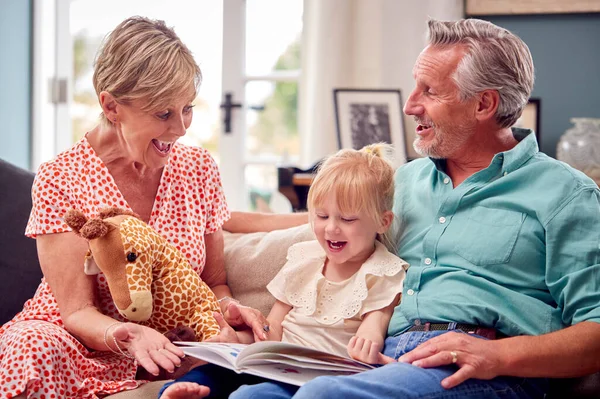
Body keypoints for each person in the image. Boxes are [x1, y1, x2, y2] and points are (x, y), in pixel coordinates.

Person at [226, 18, 600, 399]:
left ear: (484, 103)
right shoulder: (404, 181)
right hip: (385, 359)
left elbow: (596, 330)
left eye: (429, 92)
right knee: (250, 397)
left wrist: (497, 354)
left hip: (485, 371)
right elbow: (331, 221)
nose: (409, 105)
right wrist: (219, 220)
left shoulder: (567, 195)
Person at [0, 16, 268, 399]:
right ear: (111, 106)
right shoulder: (60, 177)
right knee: (31, 346)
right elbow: (75, 311)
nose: (181, 128)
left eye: (187, 108)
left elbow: (213, 282)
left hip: (172, 348)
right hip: (78, 341)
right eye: (163, 114)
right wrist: (125, 334)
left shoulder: (199, 168)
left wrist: (227, 309)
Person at [159, 144, 407, 399]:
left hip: (317, 379)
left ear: (382, 221)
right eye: (322, 216)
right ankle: (176, 394)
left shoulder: (383, 270)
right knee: (208, 373)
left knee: (254, 396)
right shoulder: (304, 258)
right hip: (274, 363)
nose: (331, 228)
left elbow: (377, 321)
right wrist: (235, 343)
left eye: (347, 220)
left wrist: (371, 332)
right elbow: (271, 329)